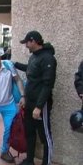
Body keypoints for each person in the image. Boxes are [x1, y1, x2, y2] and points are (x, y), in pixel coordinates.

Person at [16, 31, 57, 165]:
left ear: (33, 41)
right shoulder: (34, 56)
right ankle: (29, 160)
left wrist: (39, 106)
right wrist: (14, 64)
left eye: (26, 43)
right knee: (30, 133)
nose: (26, 46)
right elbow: (30, 69)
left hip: (41, 105)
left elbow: (47, 85)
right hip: (29, 102)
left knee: (45, 136)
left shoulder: (48, 58)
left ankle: (47, 162)